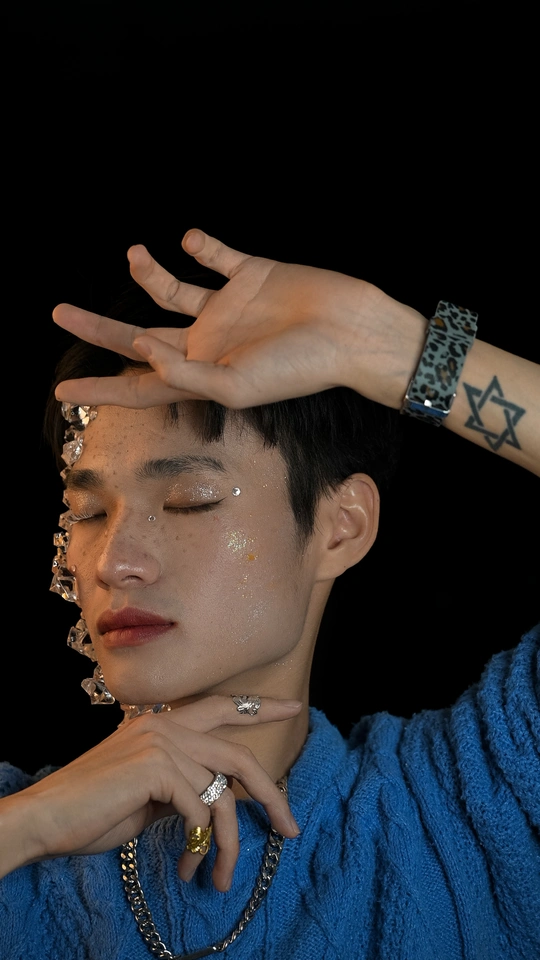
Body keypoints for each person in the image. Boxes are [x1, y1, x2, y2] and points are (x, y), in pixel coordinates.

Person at [0, 230, 538, 960]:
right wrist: (28, 826)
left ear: (342, 527)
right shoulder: (19, 840)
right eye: (89, 513)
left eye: (189, 500)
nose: (114, 563)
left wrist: (387, 346)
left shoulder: (470, 806)